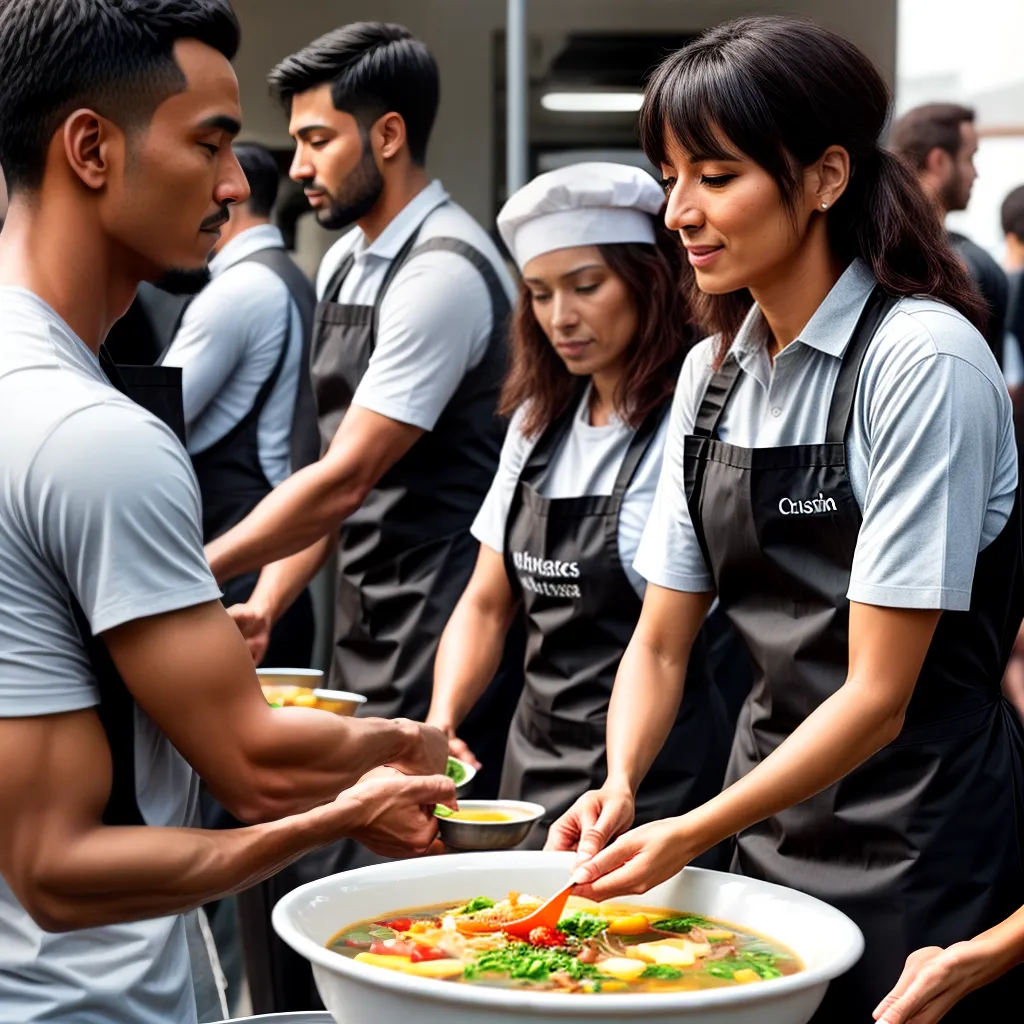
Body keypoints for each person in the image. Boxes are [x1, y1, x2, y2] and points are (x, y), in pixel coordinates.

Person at [556, 16, 1024, 1024]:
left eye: (715, 175)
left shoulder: (920, 363)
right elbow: (662, 642)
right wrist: (624, 781)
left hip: (920, 841)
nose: (679, 211)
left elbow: (877, 695)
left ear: (823, 177)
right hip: (763, 829)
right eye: (669, 175)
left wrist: (688, 832)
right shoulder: (708, 373)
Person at [0, 3, 454, 1022]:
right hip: (82, 998)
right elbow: (61, 864)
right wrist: (384, 769)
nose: (239, 182)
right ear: (90, 148)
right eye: (209, 142)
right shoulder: (88, 434)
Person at [202, 22, 524, 1011]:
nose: (295, 165)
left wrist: (194, 568)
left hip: (440, 623)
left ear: (386, 137)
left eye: (316, 139)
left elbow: (344, 480)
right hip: (361, 614)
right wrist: (268, 596)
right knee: (328, 886)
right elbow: (324, 479)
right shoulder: (347, 264)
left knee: (414, 908)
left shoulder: (443, 273)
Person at [426, 162, 739, 851]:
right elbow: (486, 601)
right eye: (539, 294)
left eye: (586, 286)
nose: (561, 316)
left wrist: (621, 777)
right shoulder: (537, 422)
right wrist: (443, 720)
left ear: (647, 281)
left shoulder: (694, 421)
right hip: (533, 758)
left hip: (659, 779)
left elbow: (667, 639)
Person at [162, 141, 318, 670]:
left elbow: (154, 416)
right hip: (276, 559)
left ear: (226, 199)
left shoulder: (238, 291)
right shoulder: (293, 279)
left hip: (239, 573)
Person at [889, 103, 1011, 370]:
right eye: (970, 158)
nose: (976, 173)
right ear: (939, 162)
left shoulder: (869, 250)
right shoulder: (965, 265)